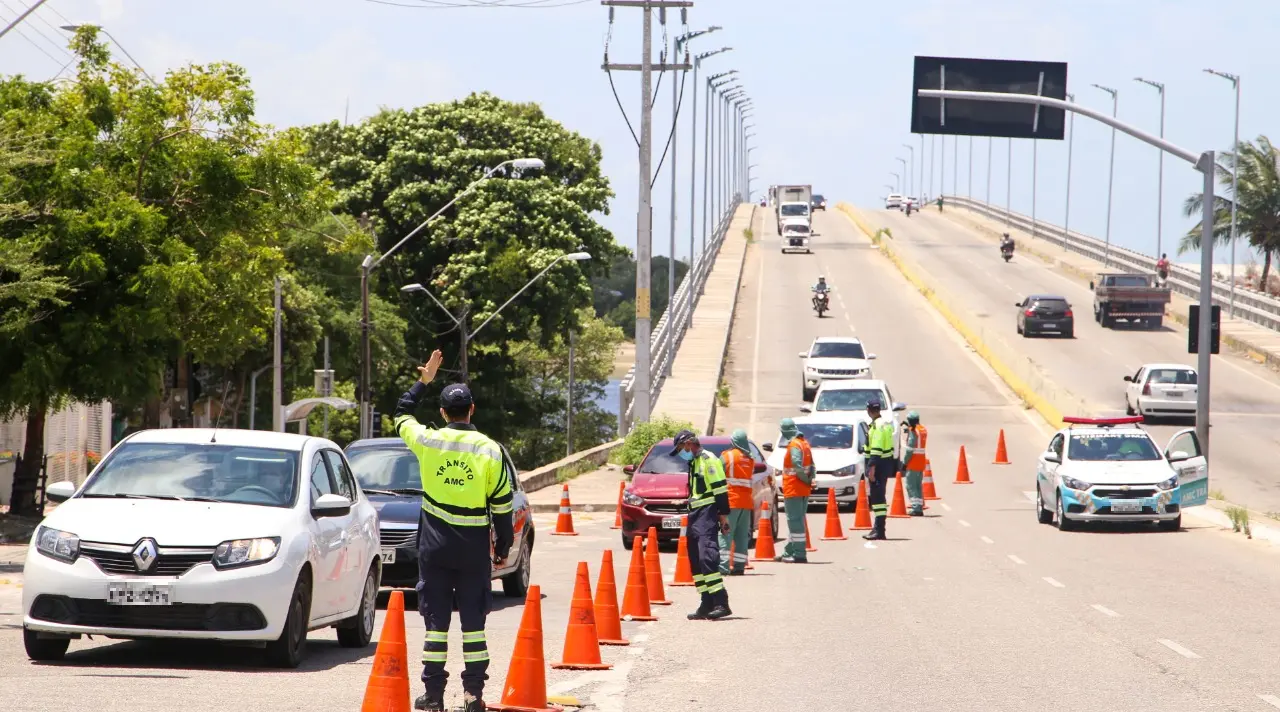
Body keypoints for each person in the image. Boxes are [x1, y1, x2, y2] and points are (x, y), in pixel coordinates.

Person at [392, 350, 515, 712]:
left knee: (436, 623)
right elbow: (503, 505)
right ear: (472, 410)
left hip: (435, 548)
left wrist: (423, 382)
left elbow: (401, 413)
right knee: (474, 624)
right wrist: (503, 547)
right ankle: (473, 696)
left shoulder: (427, 441)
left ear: (443, 413)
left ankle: (433, 696)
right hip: (473, 548)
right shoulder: (489, 450)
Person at [670, 430, 732, 620]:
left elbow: (720, 491)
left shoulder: (708, 460)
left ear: (690, 443)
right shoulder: (694, 461)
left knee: (707, 557)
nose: (681, 452)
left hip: (708, 514)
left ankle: (721, 603)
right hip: (696, 515)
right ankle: (706, 603)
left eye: (681, 448)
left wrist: (723, 518)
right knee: (696, 561)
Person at [775, 418, 814, 563]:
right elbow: (812, 466)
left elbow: (797, 465)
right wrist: (810, 480)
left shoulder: (794, 446)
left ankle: (799, 554)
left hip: (794, 488)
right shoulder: (804, 444)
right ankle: (788, 552)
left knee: (794, 522)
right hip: (802, 489)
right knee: (797, 521)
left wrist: (805, 479)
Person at [718, 429, 755, 576]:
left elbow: (717, 475)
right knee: (741, 536)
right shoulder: (750, 459)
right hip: (745, 503)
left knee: (725, 534)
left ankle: (723, 567)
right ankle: (739, 567)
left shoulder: (727, 456)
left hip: (730, 501)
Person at [861, 397, 896, 540]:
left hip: (878, 465)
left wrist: (871, 469)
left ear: (869, 410)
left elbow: (876, 449)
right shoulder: (885, 424)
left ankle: (879, 530)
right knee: (878, 497)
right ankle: (878, 528)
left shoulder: (877, 426)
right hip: (885, 464)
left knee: (877, 499)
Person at [900, 411, 927, 516]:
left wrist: (905, 463)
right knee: (918, 486)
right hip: (921, 463)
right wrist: (909, 428)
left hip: (913, 462)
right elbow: (917, 435)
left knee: (910, 486)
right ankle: (919, 506)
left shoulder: (914, 431)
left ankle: (916, 508)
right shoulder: (923, 429)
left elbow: (910, 448)